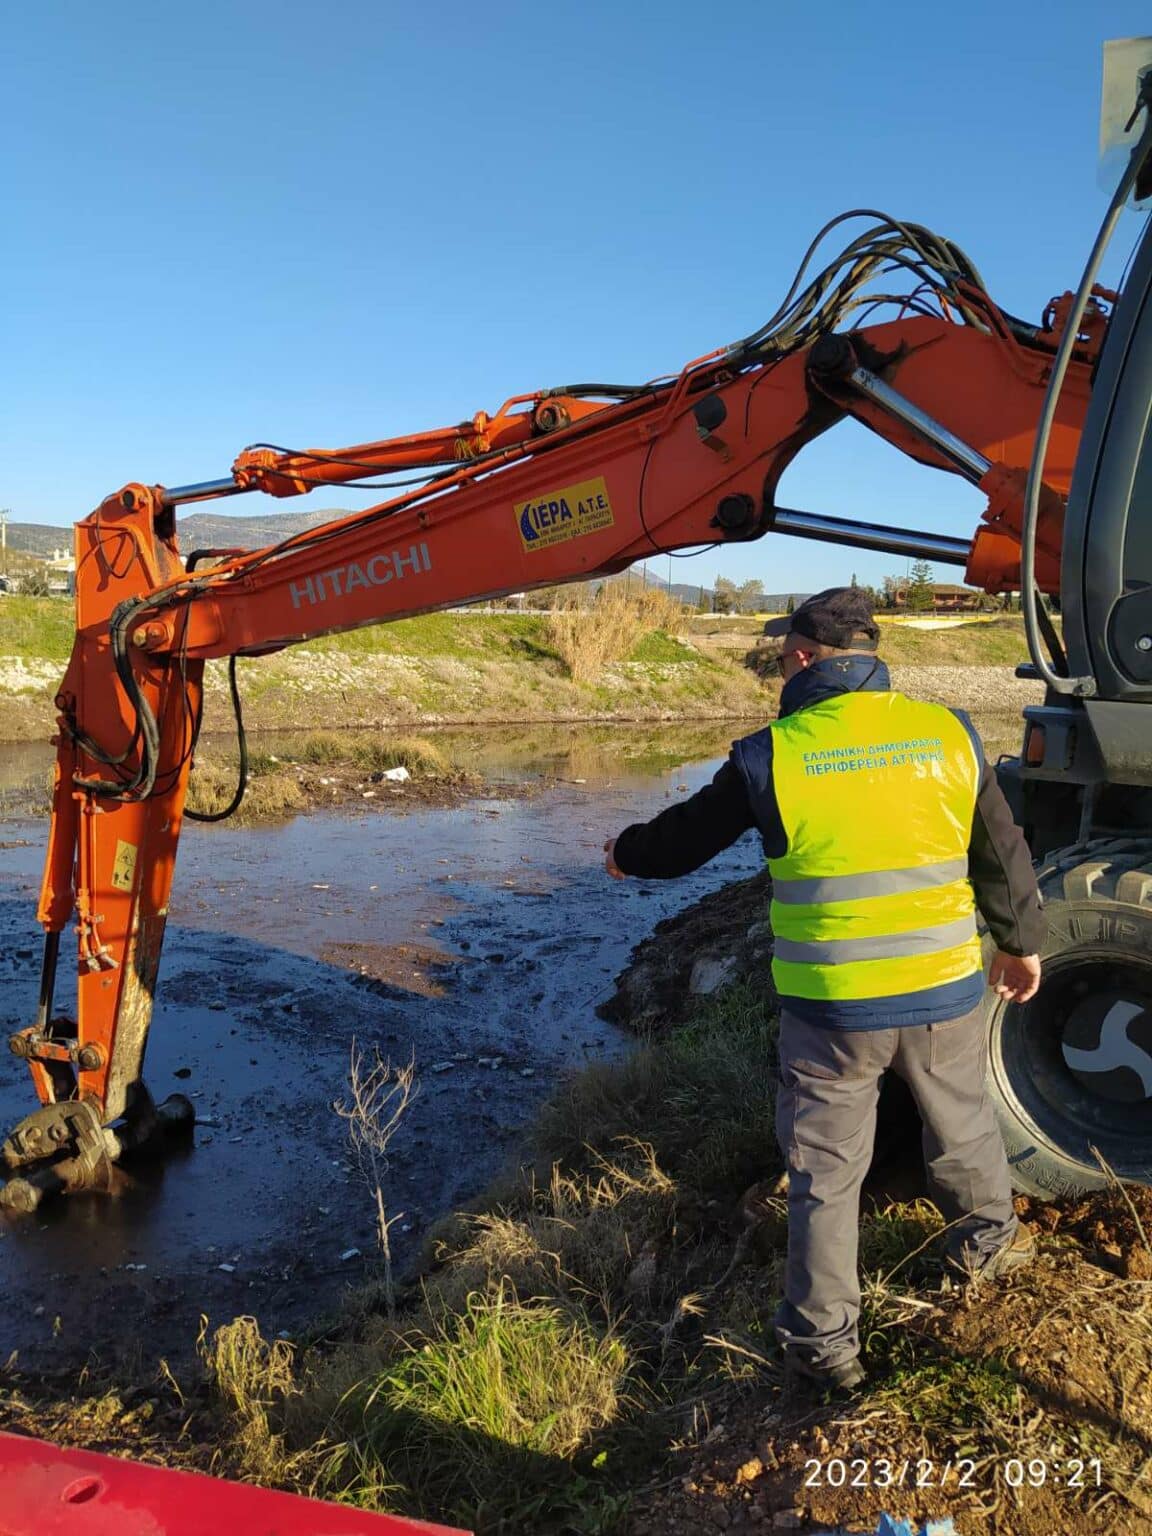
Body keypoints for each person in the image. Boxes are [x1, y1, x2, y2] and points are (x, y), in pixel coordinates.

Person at [604, 587, 1045, 1391]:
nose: (779, 662)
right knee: (964, 1125)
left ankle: (824, 1353)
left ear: (806, 656)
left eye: (783, 651)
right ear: (870, 656)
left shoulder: (770, 753)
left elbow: (683, 841)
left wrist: (625, 852)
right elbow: (1000, 847)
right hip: (944, 989)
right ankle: (988, 1254)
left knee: (825, 1175)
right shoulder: (948, 732)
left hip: (833, 1010)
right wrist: (1021, 945)